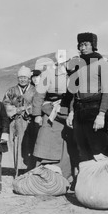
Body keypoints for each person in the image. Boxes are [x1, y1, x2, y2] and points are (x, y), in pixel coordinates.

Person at [32, 49, 79, 181]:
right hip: (50, 111)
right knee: (46, 139)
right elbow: (39, 94)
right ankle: (44, 173)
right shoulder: (49, 74)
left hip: (68, 112)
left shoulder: (77, 74)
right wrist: (37, 115)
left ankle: (66, 176)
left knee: (68, 146)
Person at [66, 32, 108, 162]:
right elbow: (74, 91)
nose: (83, 48)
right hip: (79, 110)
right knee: (83, 150)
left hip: (95, 110)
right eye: (80, 45)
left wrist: (102, 114)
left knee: (98, 150)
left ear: (93, 46)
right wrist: (71, 111)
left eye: (86, 44)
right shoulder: (78, 65)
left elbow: (107, 91)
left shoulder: (101, 64)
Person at [2, 65, 36, 174]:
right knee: (15, 143)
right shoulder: (11, 90)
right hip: (15, 121)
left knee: (29, 144)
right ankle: (16, 168)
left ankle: (28, 168)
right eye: (20, 77)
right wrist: (15, 110)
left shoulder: (35, 90)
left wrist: (27, 109)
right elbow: (5, 104)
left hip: (29, 122)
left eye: (25, 77)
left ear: (29, 79)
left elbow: (37, 104)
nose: (22, 79)